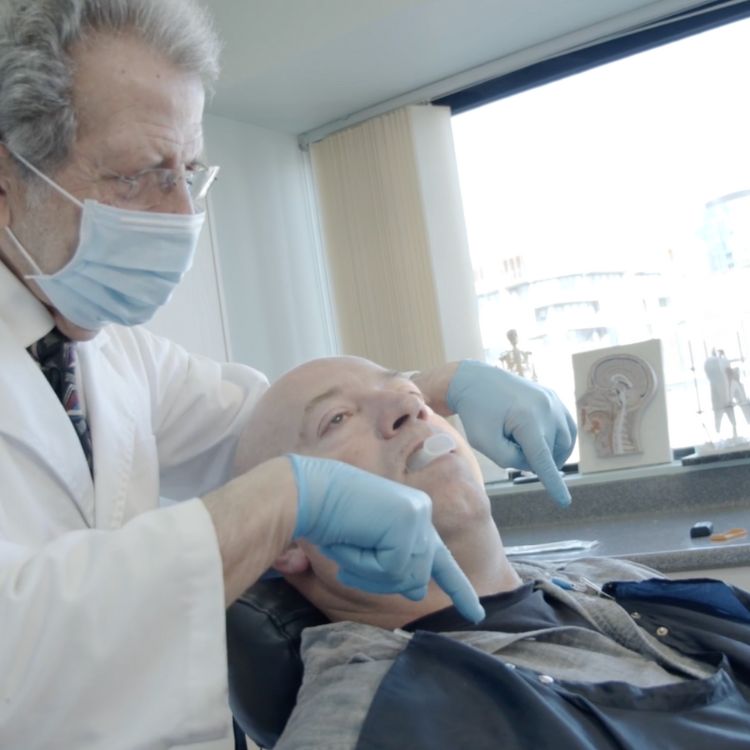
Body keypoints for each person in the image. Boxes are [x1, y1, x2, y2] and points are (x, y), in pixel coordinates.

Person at [0, 2, 578, 748]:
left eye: (189, 172)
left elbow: (264, 419)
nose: (180, 214)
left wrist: (435, 383)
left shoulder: (111, 353)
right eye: (141, 174)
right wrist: (285, 493)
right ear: (11, 179)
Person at [235, 355, 750, 750]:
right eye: (338, 419)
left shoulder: (606, 580)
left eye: (408, 391)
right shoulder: (371, 720)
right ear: (287, 542)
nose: (411, 408)